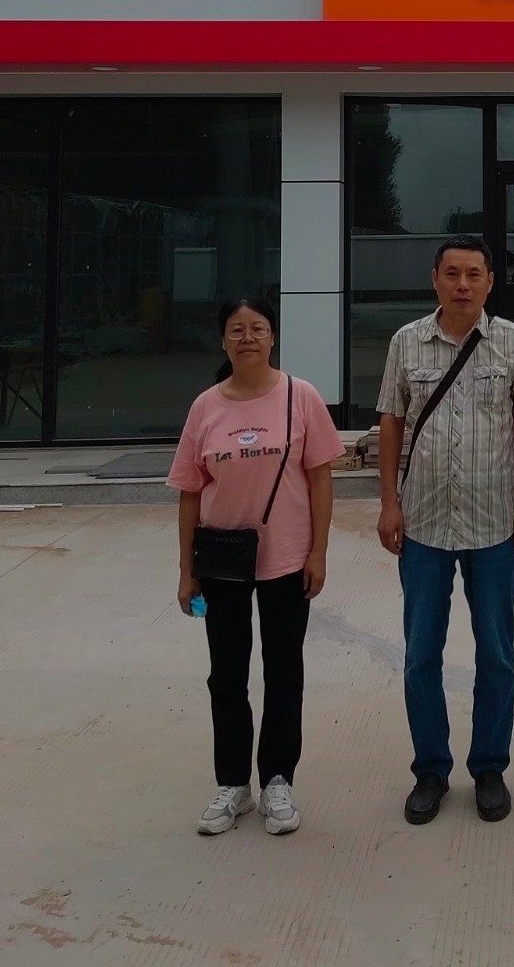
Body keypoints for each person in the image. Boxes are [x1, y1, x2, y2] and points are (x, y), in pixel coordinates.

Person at [376, 236, 514, 826]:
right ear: (435, 279)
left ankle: (490, 767)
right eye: (452, 273)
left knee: (496, 652)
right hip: (423, 522)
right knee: (421, 653)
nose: (463, 284)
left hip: (495, 521)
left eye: (474, 274)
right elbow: (391, 422)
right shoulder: (406, 342)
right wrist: (389, 502)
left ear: (490, 281)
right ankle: (431, 769)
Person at [169, 297, 345, 836]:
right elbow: (190, 492)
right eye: (236, 329)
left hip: (286, 557)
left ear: (273, 337)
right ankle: (233, 784)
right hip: (221, 561)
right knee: (226, 674)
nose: (248, 337)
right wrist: (186, 570)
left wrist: (318, 552)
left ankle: (277, 781)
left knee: (284, 671)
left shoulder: (301, 396)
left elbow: (320, 479)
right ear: (223, 340)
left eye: (258, 328)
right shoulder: (205, 407)